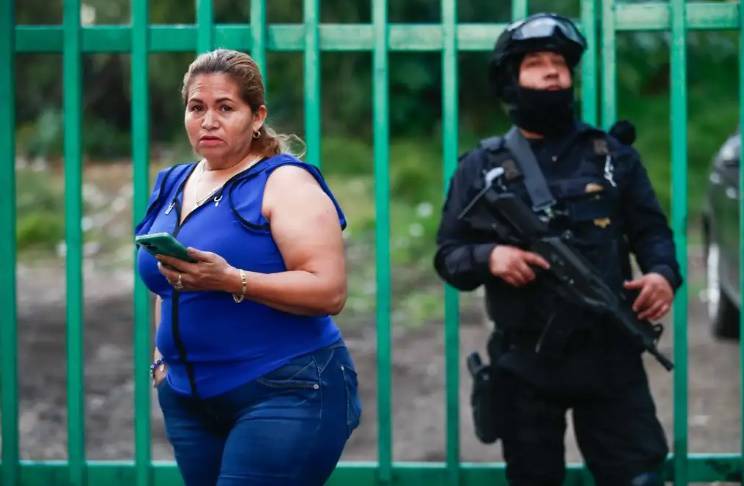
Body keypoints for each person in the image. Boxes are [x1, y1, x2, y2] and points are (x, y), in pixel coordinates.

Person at [434, 13, 681, 486]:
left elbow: (652, 232)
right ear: (512, 79)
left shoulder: (612, 157)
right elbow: (449, 254)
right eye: (536, 63)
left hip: (610, 354)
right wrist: (491, 258)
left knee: (639, 479)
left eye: (559, 64)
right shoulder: (481, 166)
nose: (551, 72)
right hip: (525, 362)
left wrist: (662, 273)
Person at [135, 48, 361, 486]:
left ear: (257, 116)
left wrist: (231, 280)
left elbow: (329, 291)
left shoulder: (284, 181)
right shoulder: (172, 182)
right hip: (188, 400)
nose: (209, 120)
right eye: (196, 107)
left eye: (225, 108)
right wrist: (162, 365)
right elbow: (166, 284)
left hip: (285, 391)